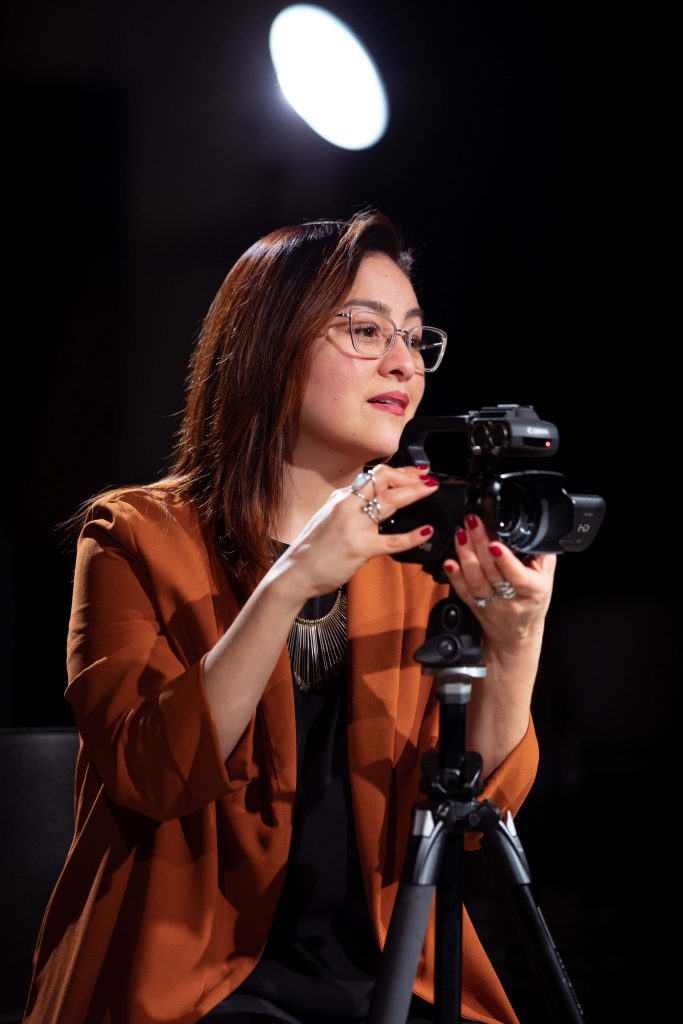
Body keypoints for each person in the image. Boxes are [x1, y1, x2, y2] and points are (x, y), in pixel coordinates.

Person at [24, 210, 555, 1024]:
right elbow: (152, 775)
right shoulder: (134, 537)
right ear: (271, 344)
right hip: (199, 984)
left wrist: (516, 641)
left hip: (386, 974)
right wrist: (289, 580)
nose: (402, 363)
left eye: (415, 338)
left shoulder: (416, 551)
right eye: (366, 331)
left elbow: (472, 816)